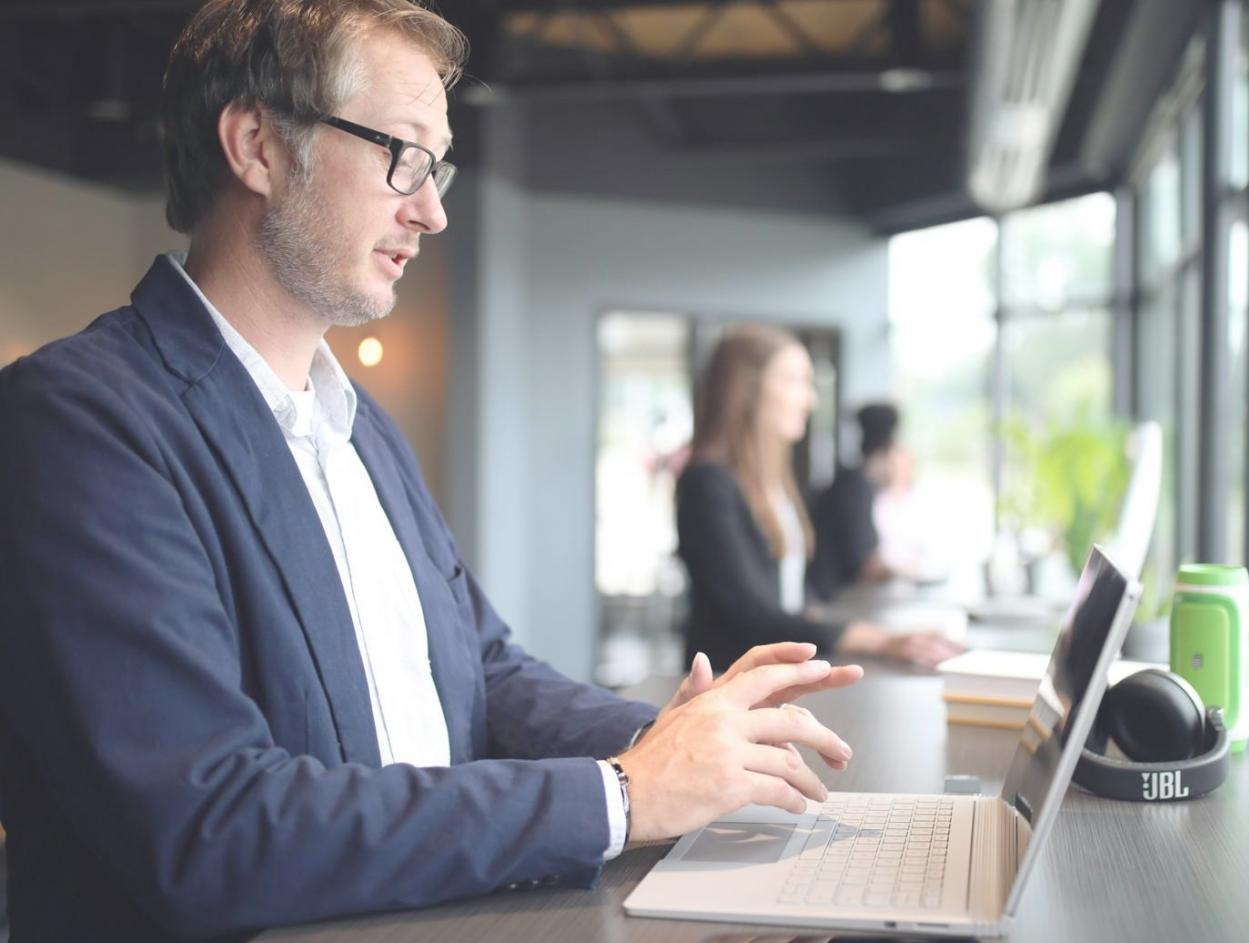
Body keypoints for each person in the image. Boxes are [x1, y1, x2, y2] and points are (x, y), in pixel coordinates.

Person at [0, 3, 862, 940]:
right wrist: (621, 794)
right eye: (402, 154)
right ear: (257, 146)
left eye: (436, 165)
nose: (433, 209)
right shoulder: (82, 419)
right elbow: (212, 826)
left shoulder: (360, 426)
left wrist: (668, 739)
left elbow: (481, 670)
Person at [676, 326, 965, 673]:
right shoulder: (708, 483)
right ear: (747, 389)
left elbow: (793, 596)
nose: (810, 399)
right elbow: (751, 614)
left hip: (774, 675)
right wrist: (876, 640)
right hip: (729, 681)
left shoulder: (772, 483)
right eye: (794, 381)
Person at [810, 402, 904, 598]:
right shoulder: (855, 488)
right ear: (888, 451)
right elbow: (861, 563)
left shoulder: (855, 483)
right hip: (833, 599)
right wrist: (905, 570)